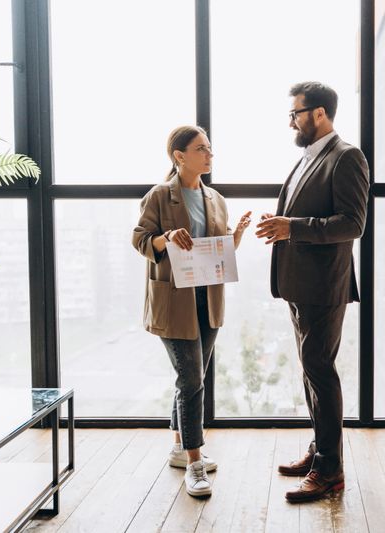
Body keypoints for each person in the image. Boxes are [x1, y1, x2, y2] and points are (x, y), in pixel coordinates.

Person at [256, 82, 369, 502]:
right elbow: (307, 215)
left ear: (319, 114)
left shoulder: (347, 157)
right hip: (300, 284)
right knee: (311, 370)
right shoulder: (307, 158)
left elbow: (352, 224)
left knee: (320, 370)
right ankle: (322, 448)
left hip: (324, 286)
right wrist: (282, 222)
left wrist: (293, 227)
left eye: (296, 113)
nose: (292, 121)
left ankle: (330, 470)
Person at [132, 125, 251, 498]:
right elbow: (140, 238)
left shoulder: (215, 198)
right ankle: (194, 463)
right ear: (179, 156)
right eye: (202, 149)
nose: (209, 154)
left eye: (210, 148)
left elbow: (218, 248)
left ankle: (178, 445)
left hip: (207, 298)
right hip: (173, 299)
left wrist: (237, 237)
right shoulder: (158, 196)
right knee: (191, 380)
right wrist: (165, 238)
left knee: (191, 376)